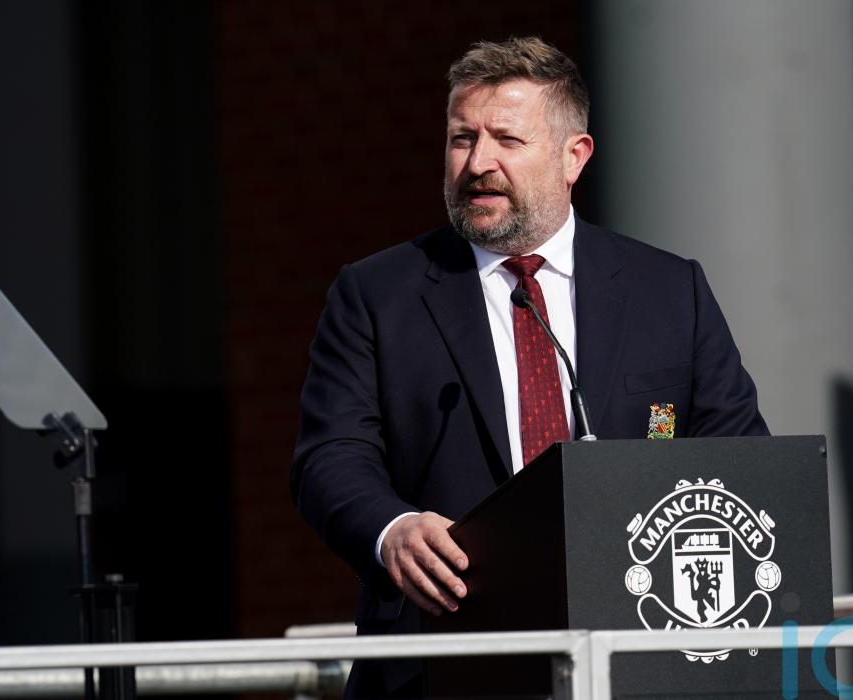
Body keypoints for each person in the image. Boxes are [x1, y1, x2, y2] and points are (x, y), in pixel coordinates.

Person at [291, 36, 768, 698]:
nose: (477, 163)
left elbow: (739, 459)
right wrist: (392, 529)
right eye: (462, 139)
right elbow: (331, 457)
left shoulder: (668, 291)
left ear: (575, 157)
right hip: (442, 659)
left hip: (635, 656)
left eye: (507, 140)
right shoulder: (377, 295)